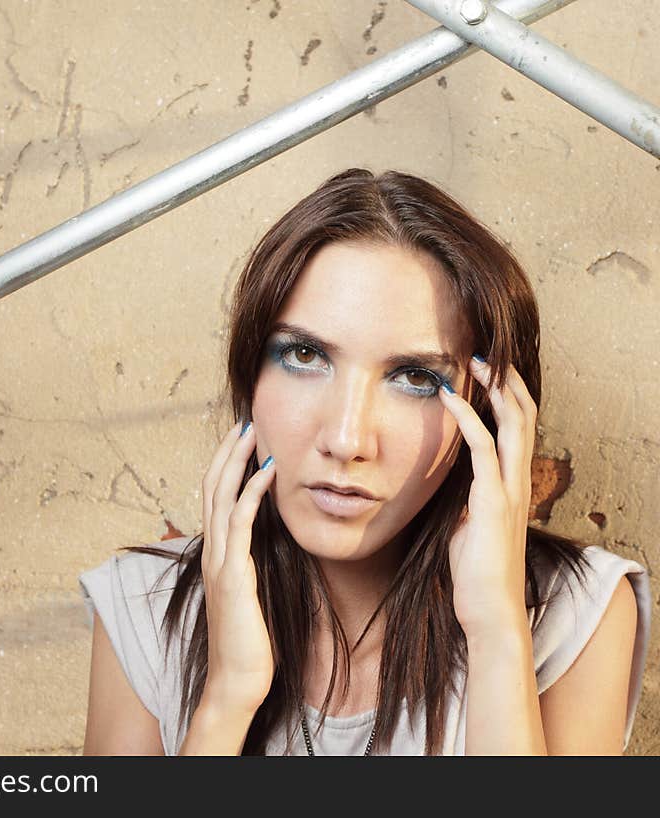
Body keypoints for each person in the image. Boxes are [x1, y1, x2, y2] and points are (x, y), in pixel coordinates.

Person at [78, 168, 651, 756]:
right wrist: (228, 696)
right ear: (249, 372)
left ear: (490, 412)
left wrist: (497, 634)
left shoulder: (571, 613)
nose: (348, 439)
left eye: (414, 377)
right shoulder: (145, 607)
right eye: (303, 354)